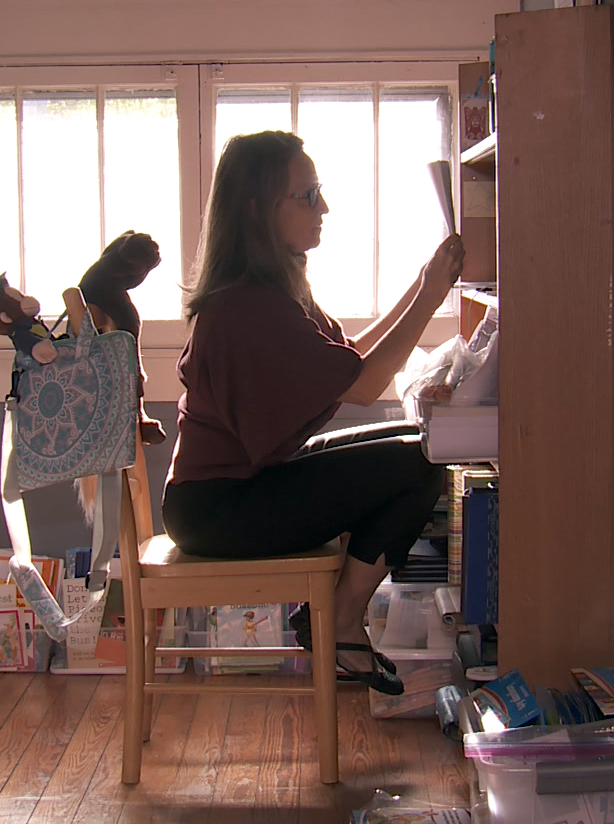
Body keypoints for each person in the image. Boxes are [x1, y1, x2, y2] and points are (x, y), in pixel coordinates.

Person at [161, 130, 465, 696]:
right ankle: (341, 619)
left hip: (234, 489)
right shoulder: (248, 305)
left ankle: (329, 616)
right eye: (307, 195)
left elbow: (351, 362)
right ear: (258, 208)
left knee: (418, 439)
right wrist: (430, 291)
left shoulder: (273, 286)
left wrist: (426, 283)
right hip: (219, 508)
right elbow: (368, 381)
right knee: (422, 460)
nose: (322, 207)